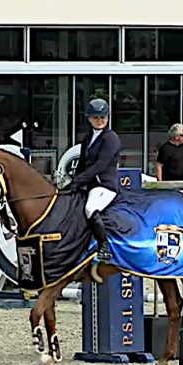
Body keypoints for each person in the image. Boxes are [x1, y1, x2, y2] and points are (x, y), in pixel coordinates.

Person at [68, 98, 121, 263]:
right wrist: (72, 183)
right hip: (91, 185)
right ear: (89, 118)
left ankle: (103, 247)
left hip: (104, 185)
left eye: (103, 117)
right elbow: (82, 164)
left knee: (91, 208)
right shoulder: (87, 139)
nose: (100, 121)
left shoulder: (111, 138)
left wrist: (79, 181)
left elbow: (100, 165)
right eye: (97, 117)